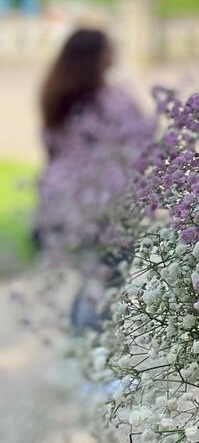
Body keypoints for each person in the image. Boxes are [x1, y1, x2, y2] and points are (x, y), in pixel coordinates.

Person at [34, 28, 152, 329]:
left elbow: (51, 151)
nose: (114, 54)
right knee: (106, 284)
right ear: (98, 57)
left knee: (92, 282)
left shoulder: (57, 98)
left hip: (63, 205)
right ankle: (89, 356)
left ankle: (81, 353)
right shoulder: (114, 99)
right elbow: (142, 146)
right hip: (107, 205)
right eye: (109, 49)